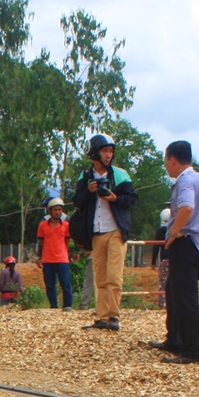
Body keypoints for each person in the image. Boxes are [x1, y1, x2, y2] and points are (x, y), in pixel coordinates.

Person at [149, 141, 199, 365]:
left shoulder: (185, 180)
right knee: (174, 292)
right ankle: (174, 339)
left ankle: (193, 351)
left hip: (187, 242)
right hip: (197, 243)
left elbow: (186, 207)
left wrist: (174, 233)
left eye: (166, 160)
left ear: (172, 159)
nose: (166, 166)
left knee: (185, 298)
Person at [71, 134, 138, 331]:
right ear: (95, 153)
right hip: (96, 232)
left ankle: (114, 317)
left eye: (111, 151)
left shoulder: (120, 174)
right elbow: (76, 202)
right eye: (105, 151)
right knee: (99, 276)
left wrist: (115, 198)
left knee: (114, 277)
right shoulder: (85, 177)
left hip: (116, 230)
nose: (109, 155)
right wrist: (88, 191)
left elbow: (133, 199)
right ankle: (102, 317)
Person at [36, 197, 74, 310]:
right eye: (55, 210)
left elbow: (68, 240)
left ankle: (67, 305)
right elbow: (41, 242)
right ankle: (53, 305)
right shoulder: (42, 225)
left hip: (62, 259)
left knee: (65, 284)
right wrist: (40, 257)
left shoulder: (66, 225)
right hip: (48, 259)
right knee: (50, 284)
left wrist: (67, 252)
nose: (58, 212)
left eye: (59, 210)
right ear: (50, 211)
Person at [152, 208, 171, 309]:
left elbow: (156, 247)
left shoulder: (161, 230)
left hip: (164, 259)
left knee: (163, 281)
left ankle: (163, 304)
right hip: (175, 258)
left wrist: (153, 261)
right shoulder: (175, 229)